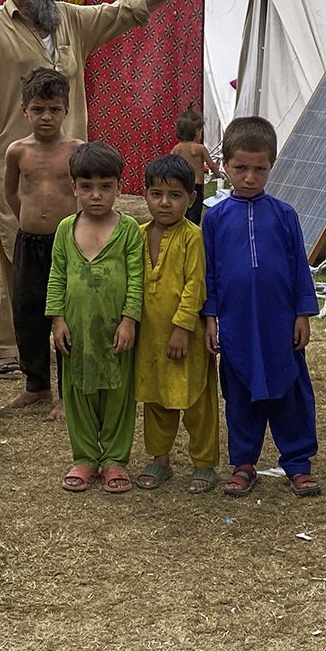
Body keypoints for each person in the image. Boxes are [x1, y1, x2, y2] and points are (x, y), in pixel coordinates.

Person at [0, 0, 203, 379]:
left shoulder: (69, 20)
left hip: (73, 169)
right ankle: (9, 347)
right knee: (15, 255)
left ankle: (68, 338)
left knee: (73, 251)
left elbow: (121, 12)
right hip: (12, 165)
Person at [204, 117, 322, 498]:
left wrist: (303, 312)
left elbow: (298, 266)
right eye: (241, 168)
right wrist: (210, 317)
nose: (250, 177)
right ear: (225, 165)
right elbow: (209, 272)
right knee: (240, 393)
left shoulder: (285, 214)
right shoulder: (215, 218)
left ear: (272, 164)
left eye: (260, 168)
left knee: (290, 391)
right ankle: (243, 463)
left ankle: (298, 464)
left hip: (280, 322)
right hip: (237, 324)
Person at [46, 141, 144, 494]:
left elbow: (136, 277)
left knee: (119, 393)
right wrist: (57, 319)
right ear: (73, 187)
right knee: (77, 391)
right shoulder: (64, 229)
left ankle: (115, 460)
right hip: (77, 330)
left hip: (116, 330)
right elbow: (57, 275)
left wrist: (130, 320)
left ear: (119, 186)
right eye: (86, 187)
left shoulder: (129, 229)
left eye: (106, 186)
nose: (96, 195)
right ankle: (86, 457)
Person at [133, 155, 221, 493]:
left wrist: (183, 328)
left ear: (191, 198)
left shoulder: (192, 237)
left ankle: (204, 463)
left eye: (174, 195)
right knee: (155, 399)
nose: (164, 203)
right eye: (156, 194)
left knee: (197, 401)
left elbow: (195, 285)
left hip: (186, 337)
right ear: (145, 195)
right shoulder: (137, 235)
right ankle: (159, 459)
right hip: (150, 338)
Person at [2, 67, 82, 418]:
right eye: (38, 109)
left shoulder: (77, 150)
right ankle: (36, 385)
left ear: (66, 110)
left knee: (68, 316)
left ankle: (68, 393)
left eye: (54, 109)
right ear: (25, 110)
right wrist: (29, 219)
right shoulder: (17, 151)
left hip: (66, 245)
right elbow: (10, 193)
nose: (46, 116)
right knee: (27, 311)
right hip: (29, 243)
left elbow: (86, 192)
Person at [168, 109, 220, 224]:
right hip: (196, 185)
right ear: (197, 131)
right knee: (195, 213)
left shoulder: (177, 148)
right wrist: (219, 175)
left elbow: (170, 164)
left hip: (181, 184)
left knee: (182, 210)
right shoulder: (200, 148)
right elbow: (211, 165)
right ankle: (193, 233)